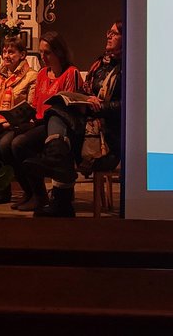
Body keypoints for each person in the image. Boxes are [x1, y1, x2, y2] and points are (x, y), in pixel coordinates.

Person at [24, 21, 124, 217]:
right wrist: (85, 98)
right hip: (88, 126)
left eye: (114, 33)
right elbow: (87, 91)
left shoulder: (128, 67)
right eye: (109, 32)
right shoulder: (101, 64)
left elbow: (129, 105)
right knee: (27, 140)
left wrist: (100, 106)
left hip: (107, 138)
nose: (108, 36)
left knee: (57, 115)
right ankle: (54, 193)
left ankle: (60, 194)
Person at [9, 32, 82, 212]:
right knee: (7, 142)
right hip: (40, 122)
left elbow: (70, 105)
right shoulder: (42, 73)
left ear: (59, 52)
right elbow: (36, 104)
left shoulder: (70, 73)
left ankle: (40, 195)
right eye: (41, 52)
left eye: (47, 53)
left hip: (60, 125)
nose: (43, 57)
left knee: (20, 144)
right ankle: (30, 192)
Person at [0, 36, 37, 204]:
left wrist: (8, 123)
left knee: (2, 144)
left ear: (22, 55)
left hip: (18, 124)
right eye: (4, 51)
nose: (6, 56)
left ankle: (6, 189)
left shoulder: (31, 76)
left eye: (11, 52)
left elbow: (30, 106)